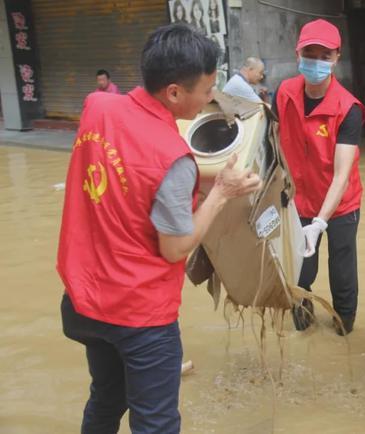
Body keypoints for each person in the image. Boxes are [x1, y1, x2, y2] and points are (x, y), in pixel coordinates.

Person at [58, 23, 261, 433]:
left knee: (106, 398)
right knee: (156, 423)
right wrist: (220, 191)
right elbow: (175, 248)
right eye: (206, 91)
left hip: (84, 300)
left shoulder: (97, 106)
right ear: (173, 92)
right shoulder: (172, 157)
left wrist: (196, 184)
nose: (210, 98)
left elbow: (129, 180)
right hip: (139, 316)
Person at [274, 19, 365, 335]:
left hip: (340, 205)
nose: (316, 61)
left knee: (341, 270)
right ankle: (304, 319)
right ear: (298, 53)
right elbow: (272, 144)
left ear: (337, 57)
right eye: (309, 53)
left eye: (324, 55)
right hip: (299, 199)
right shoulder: (284, 93)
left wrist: (321, 222)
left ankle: (344, 325)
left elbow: (341, 175)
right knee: (300, 269)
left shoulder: (348, 109)